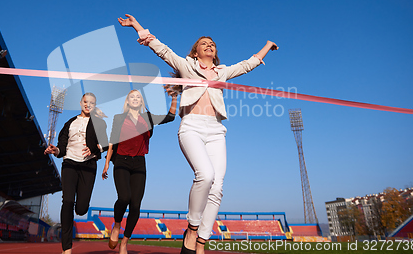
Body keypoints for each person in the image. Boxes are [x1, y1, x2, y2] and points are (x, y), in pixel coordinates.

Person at [118, 14, 278, 254]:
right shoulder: (186, 65)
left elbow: (247, 65)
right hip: (191, 126)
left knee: (218, 186)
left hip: (216, 130)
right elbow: (161, 49)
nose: (209, 45)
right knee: (205, 174)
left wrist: (267, 46)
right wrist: (137, 27)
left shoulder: (222, 72)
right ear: (195, 52)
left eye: (212, 44)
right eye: (204, 43)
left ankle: (201, 242)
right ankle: (192, 229)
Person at [102, 89, 178, 254]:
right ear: (128, 101)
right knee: (124, 198)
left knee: (135, 205)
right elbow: (112, 142)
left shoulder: (148, 118)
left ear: (141, 102)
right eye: (132, 97)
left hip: (139, 163)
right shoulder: (119, 118)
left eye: (138, 97)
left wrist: (174, 97)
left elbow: (170, 117)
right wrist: (107, 163)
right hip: (121, 161)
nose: (135, 99)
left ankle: (124, 242)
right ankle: (116, 225)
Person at [44, 92, 108, 254]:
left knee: (81, 208)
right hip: (69, 163)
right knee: (67, 202)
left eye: (92, 103)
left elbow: (106, 144)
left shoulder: (99, 123)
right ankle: (67, 248)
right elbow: (62, 147)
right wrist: (56, 150)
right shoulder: (69, 123)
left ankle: (81, 207)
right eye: (85, 102)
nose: (88, 105)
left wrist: (94, 148)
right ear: (81, 103)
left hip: (88, 165)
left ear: (94, 105)